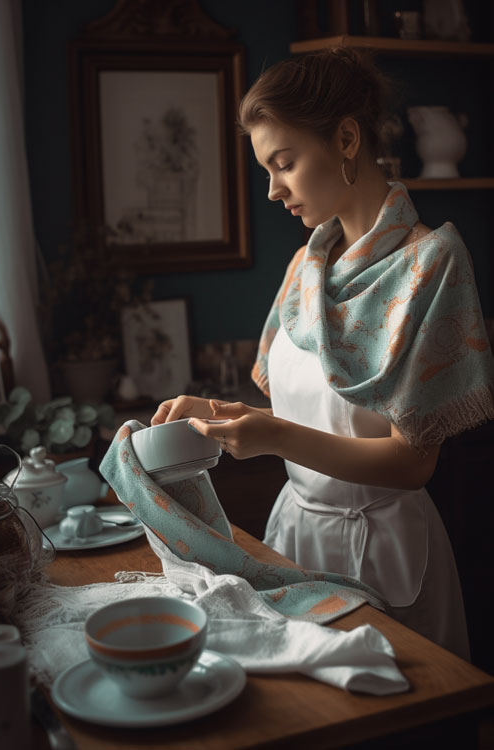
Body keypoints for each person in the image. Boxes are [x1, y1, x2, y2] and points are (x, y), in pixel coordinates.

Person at [151, 48, 494, 660]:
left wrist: (276, 437)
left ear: (345, 138)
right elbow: (297, 409)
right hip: (295, 537)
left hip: (385, 549)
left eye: (284, 163)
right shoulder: (305, 267)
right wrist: (214, 410)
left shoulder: (432, 265)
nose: (273, 189)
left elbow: (414, 465)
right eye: (267, 170)